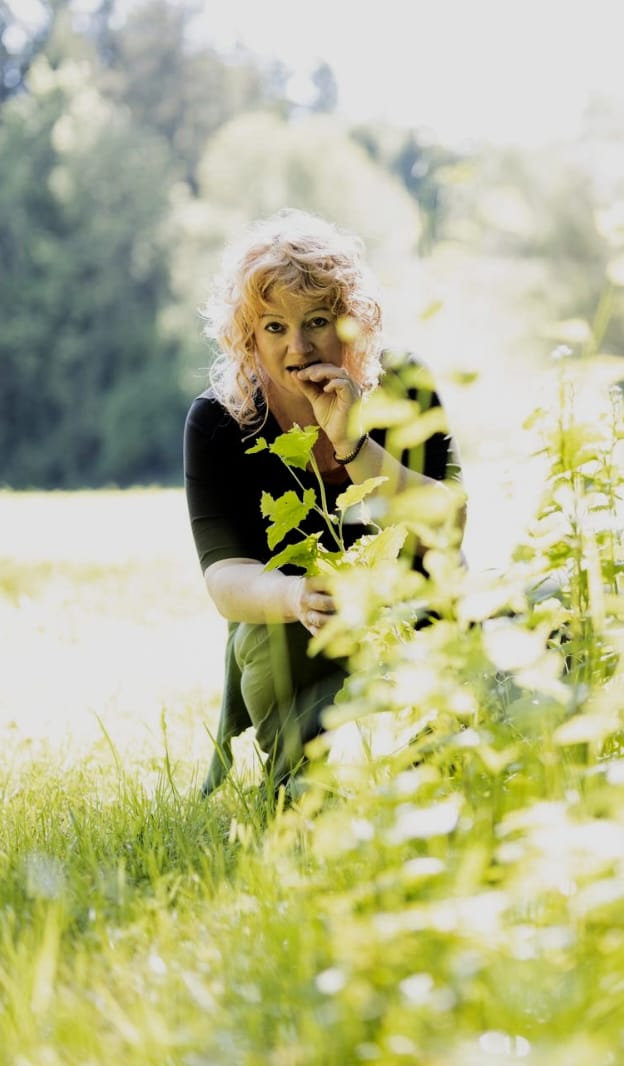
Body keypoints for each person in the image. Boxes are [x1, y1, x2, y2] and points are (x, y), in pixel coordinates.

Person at [184, 209, 463, 797]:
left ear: (353, 324)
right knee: (266, 637)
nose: (299, 346)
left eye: (317, 321)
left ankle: (432, 776)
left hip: (415, 609)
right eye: (274, 328)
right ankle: (301, 789)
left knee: (540, 625)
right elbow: (226, 579)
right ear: (247, 337)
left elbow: (447, 525)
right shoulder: (219, 422)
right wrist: (293, 595)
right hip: (300, 630)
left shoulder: (405, 384)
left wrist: (352, 443)